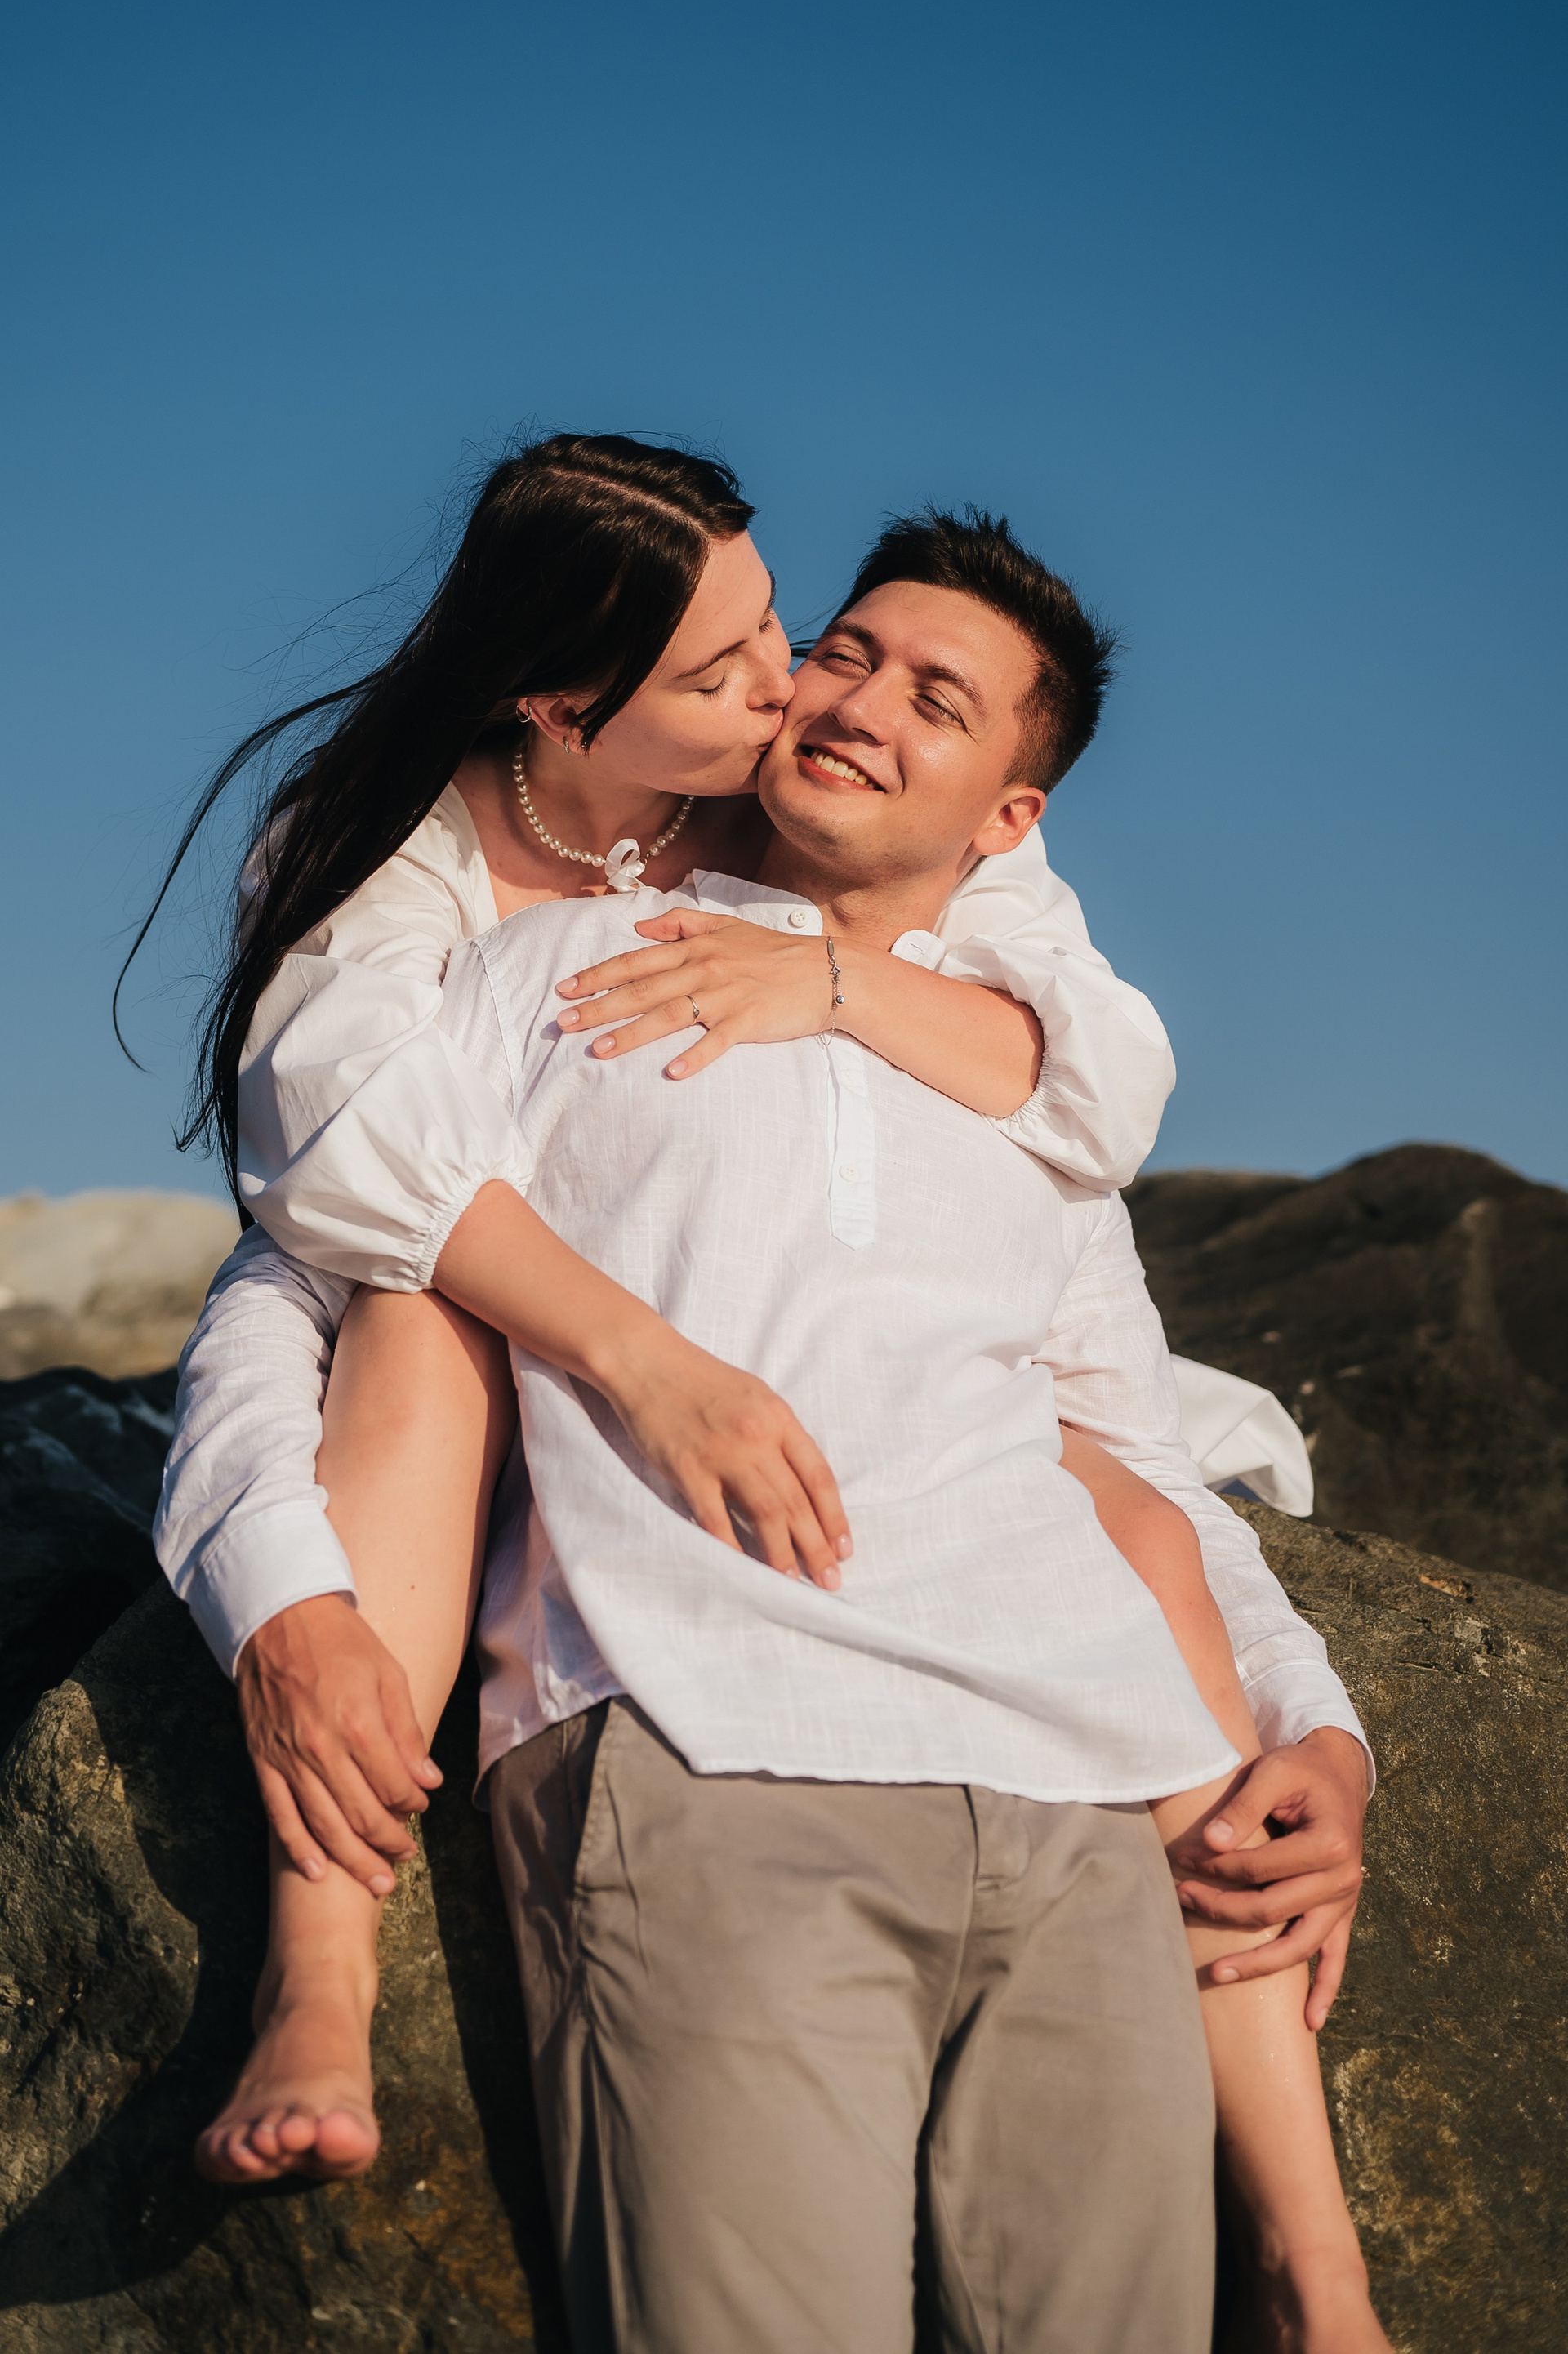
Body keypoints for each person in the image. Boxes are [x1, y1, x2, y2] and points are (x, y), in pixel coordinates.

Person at [158, 508, 1387, 2350]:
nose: (832, 696)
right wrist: (282, 1588)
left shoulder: (1012, 1045)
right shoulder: (515, 953)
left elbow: (1125, 1434)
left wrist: (1318, 1724)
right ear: (572, 699)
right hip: (717, 1739)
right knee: (426, 1304)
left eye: (920, 692)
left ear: (1008, 816)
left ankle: (1318, 2273)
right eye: (828, 656)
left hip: (1067, 1787)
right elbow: (320, 1254)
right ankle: (317, 1966)